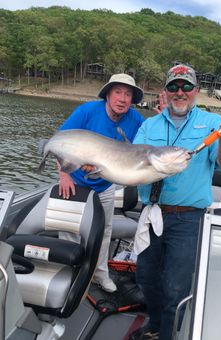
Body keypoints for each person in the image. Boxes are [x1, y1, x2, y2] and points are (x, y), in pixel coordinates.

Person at [130, 64, 221, 339]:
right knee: (145, 277)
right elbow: (131, 164)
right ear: (165, 91)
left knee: (175, 288)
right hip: (152, 214)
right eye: (173, 86)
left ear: (196, 91)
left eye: (185, 86)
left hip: (189, 218)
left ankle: (169, 334)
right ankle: (156, 323)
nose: (179, 92)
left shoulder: (212, 123)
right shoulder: (149, 125)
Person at [58, 73, 145, 293]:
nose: (123, 99)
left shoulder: (136, 120)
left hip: (104, 185)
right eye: (118, 92)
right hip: (75, 181)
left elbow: (150, 145)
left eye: (128, 94)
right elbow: (60, 141)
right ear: (107, 94)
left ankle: (99, 274)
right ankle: (67, 273)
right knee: (70, 231)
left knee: (103, 232)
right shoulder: (87, 111)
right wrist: (64, 175)